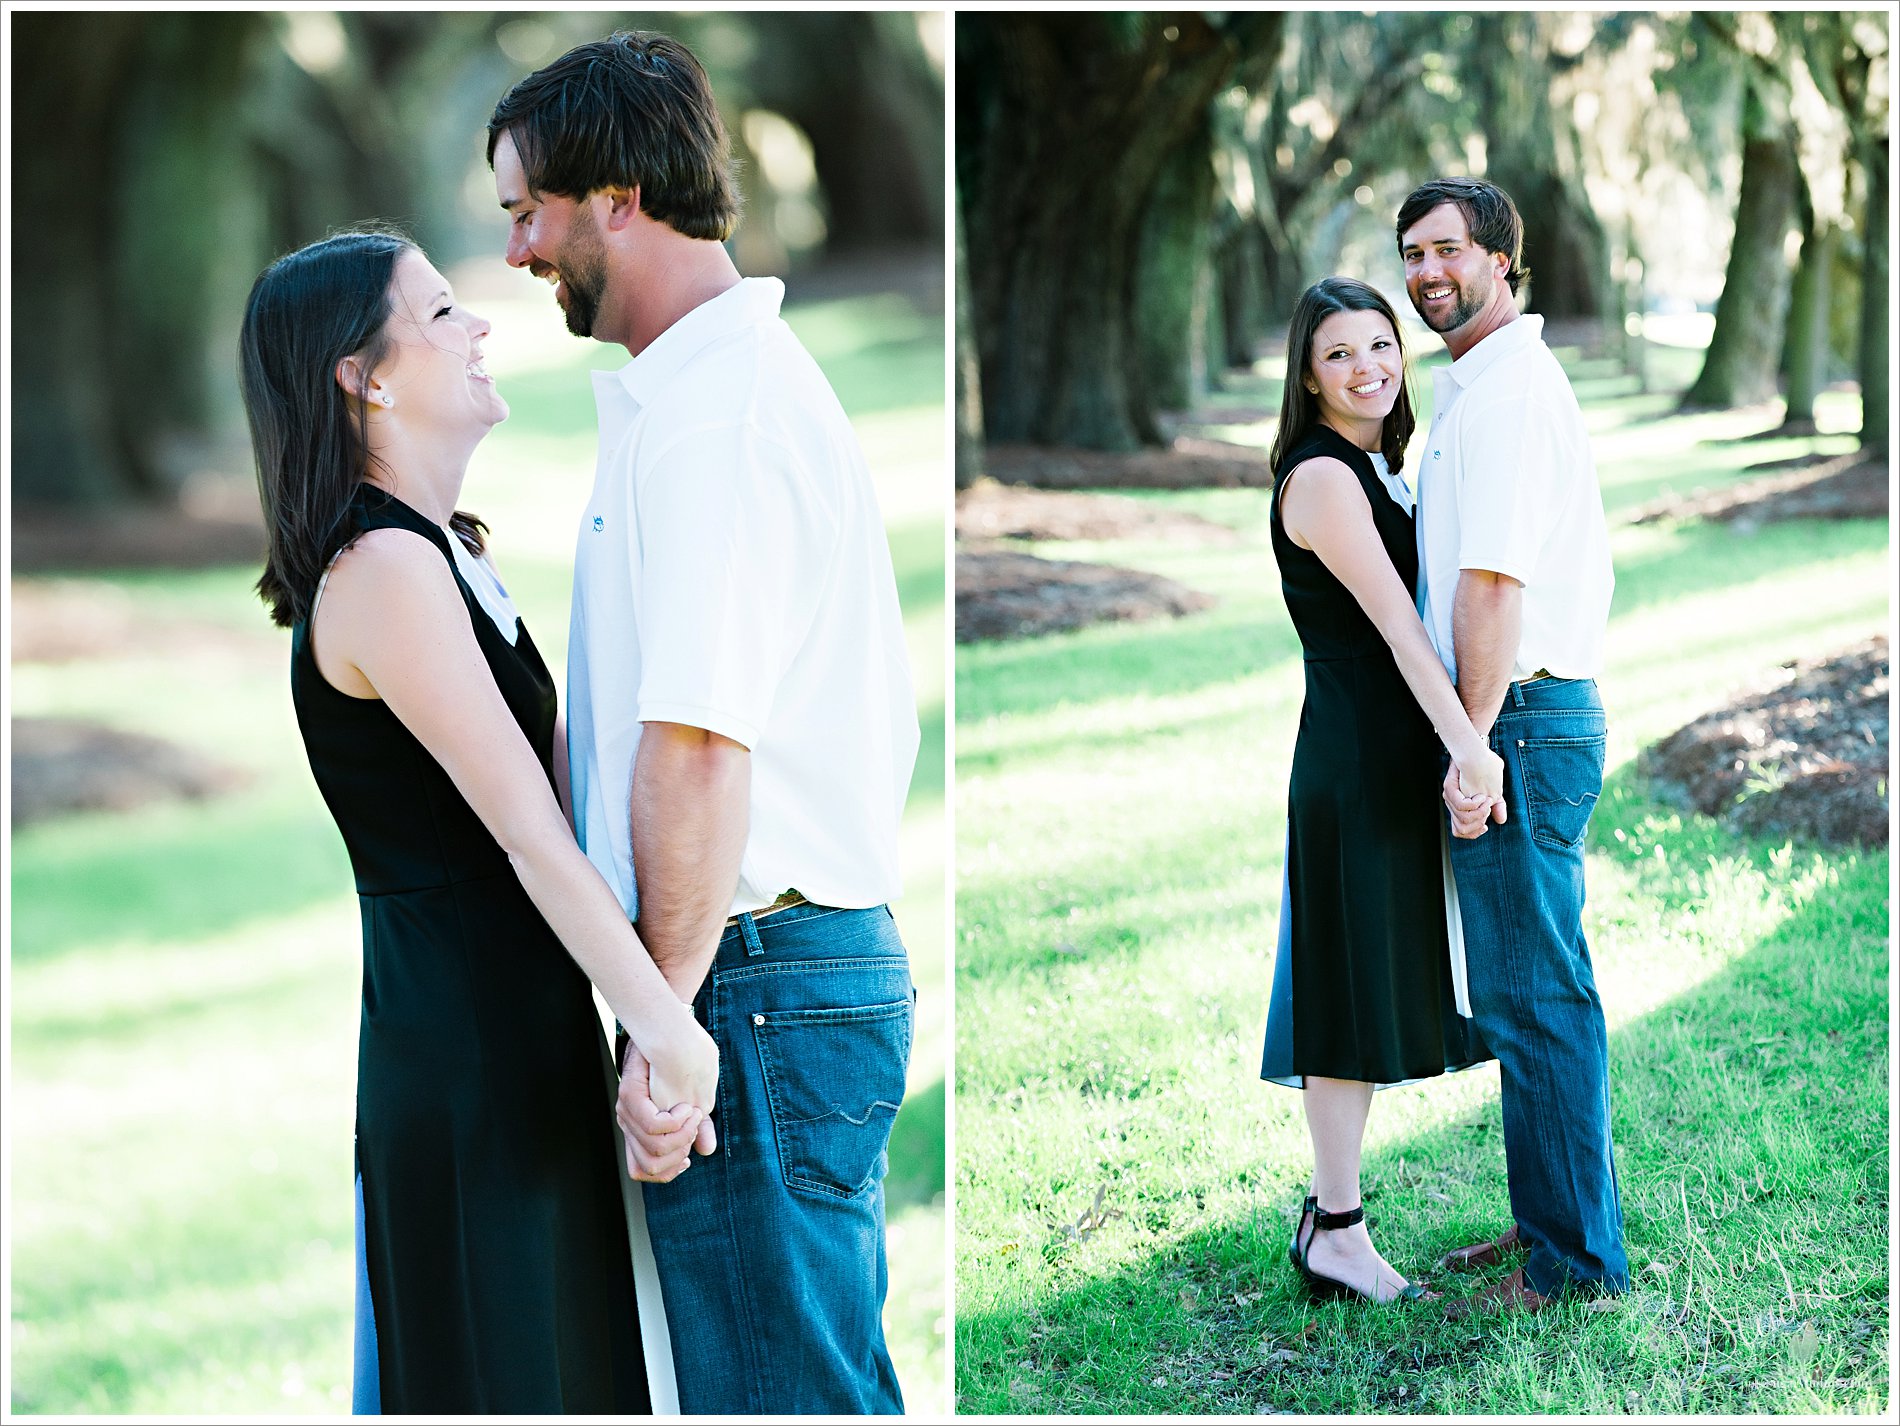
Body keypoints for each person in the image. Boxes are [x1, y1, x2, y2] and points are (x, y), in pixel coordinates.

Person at [486, 31, 920, 1414]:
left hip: (752, 979)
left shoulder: (718, 417)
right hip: (762, 978)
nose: (515, 252)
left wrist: (666, 1025)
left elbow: (694, 749)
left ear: (617, 195)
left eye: (528, 210)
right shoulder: (689, 395)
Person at [238, 229, 719, 1413]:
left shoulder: (448, 550)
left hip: (522, 1041)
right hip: (460, 1066)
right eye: (445, 312)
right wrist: (667, 1027)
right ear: (366, 373)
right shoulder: (381, 570)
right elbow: (527, 834)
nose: (483, 325)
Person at [1395, 176, 1626, 1315]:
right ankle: (1548, 1229)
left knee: (1537, 995)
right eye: (1411, 255)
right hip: (1514, 722)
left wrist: (1470, 744)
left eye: (1446, 248)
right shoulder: (1478, 388)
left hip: (1518, 722)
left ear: (1500, 259)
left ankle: (1573, 1265)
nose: (1426, 272)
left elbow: (1491, 585)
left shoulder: (1511, 392)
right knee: (1523, 992)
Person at [1260, 275, 1503, 1304]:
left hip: (1381, 761)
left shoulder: (1371, 466)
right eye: (1338, 354)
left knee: (1362, 987)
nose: (1367, 367)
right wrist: (1469, 746)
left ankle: (1329, 1222)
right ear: (1307, 379)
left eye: (1378, 345)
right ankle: (1340, 1228)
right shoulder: (1321, 478)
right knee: (1344, 996)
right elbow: (1400, 629)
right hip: (1354, 770)